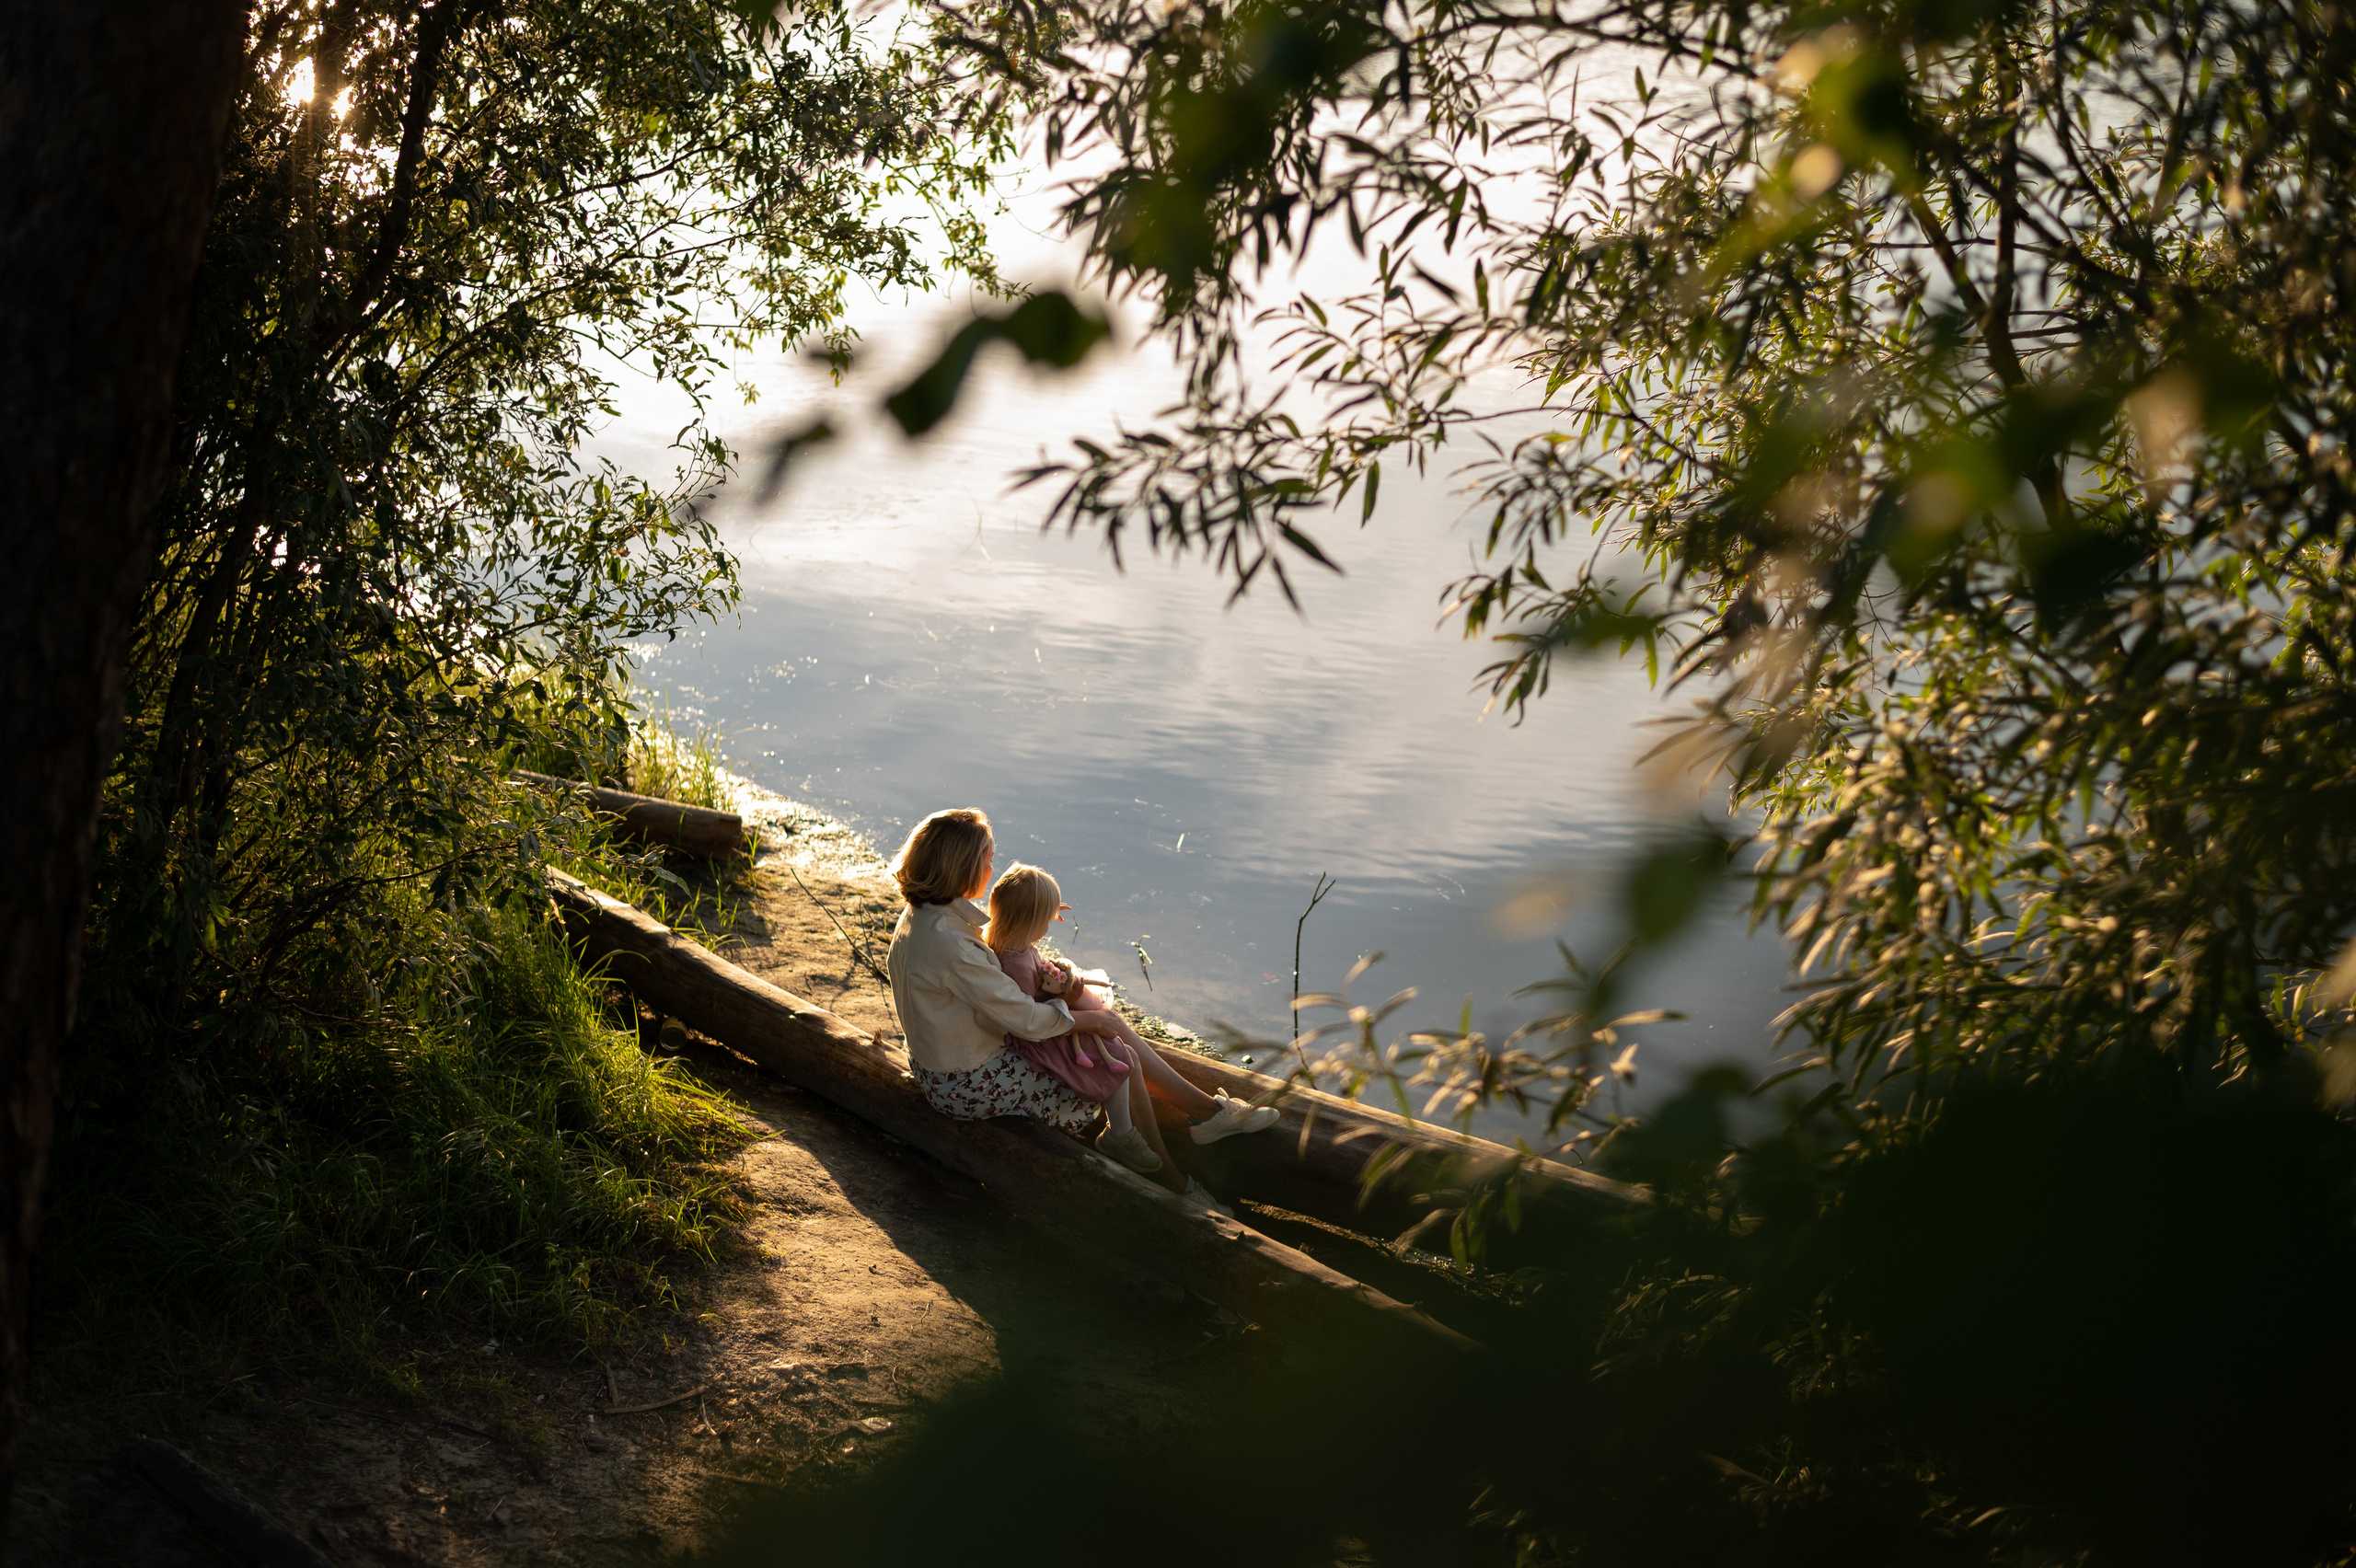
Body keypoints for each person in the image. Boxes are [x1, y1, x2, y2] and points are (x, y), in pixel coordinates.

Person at [884, 808, 1277, 1205]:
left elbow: (992, 986)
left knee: (1110, 1032)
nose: (991, 867)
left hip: (942, 1067)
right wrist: (1090, 1019)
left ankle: (1205, 1117)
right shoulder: (951, 943)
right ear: (962, 867)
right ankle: (1174, 1180)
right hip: (969, 1084)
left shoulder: (923, 918)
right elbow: (1025, 1021)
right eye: (986, 859)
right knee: (1118, 1063)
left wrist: (1077, 1002)